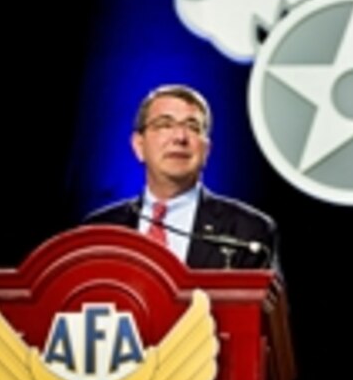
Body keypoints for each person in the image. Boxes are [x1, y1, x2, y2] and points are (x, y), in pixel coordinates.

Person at [83, 83, 277, 270]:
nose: (180, 137)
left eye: (193, 127)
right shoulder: (99, 230)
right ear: (139, 145)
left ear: (206, 150)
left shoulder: (248, 232)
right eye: (164, 125)